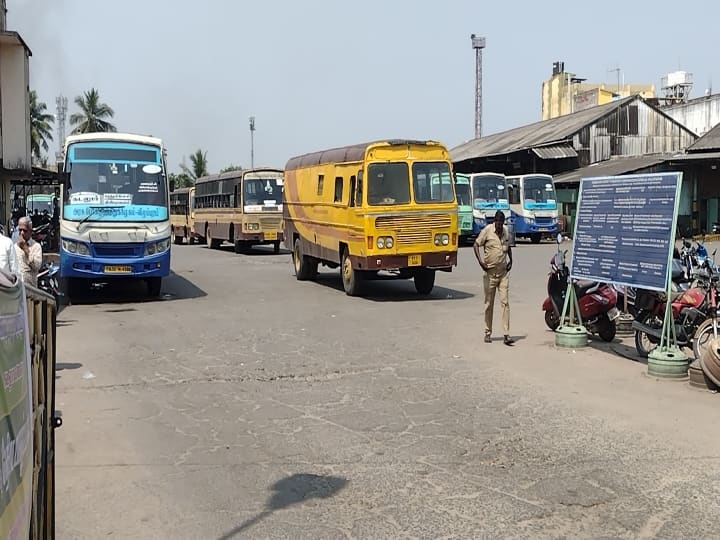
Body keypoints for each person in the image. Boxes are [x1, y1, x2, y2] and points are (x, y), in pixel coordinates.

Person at [474, 210, 514, 346]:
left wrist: (511, 260)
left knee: (505, 303)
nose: (499, 226)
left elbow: (508, 247)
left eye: (501, 224)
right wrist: (481, 262)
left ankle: (506, 334)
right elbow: (476, 245)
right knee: (489, 304)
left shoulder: (506, 231)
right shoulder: (487, 231)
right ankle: (487, 332)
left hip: (503, 273)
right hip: (490, 274)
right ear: (494, 222)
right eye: (497, 223)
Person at [14, 216, 42, 287]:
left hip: (31, 289)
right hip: (17, 288)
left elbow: (37, 266)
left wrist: (26, 249)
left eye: (25, 230)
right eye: (20, 230)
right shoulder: (14, 247)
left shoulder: (36, 247)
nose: (22, 233)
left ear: (30, 231)